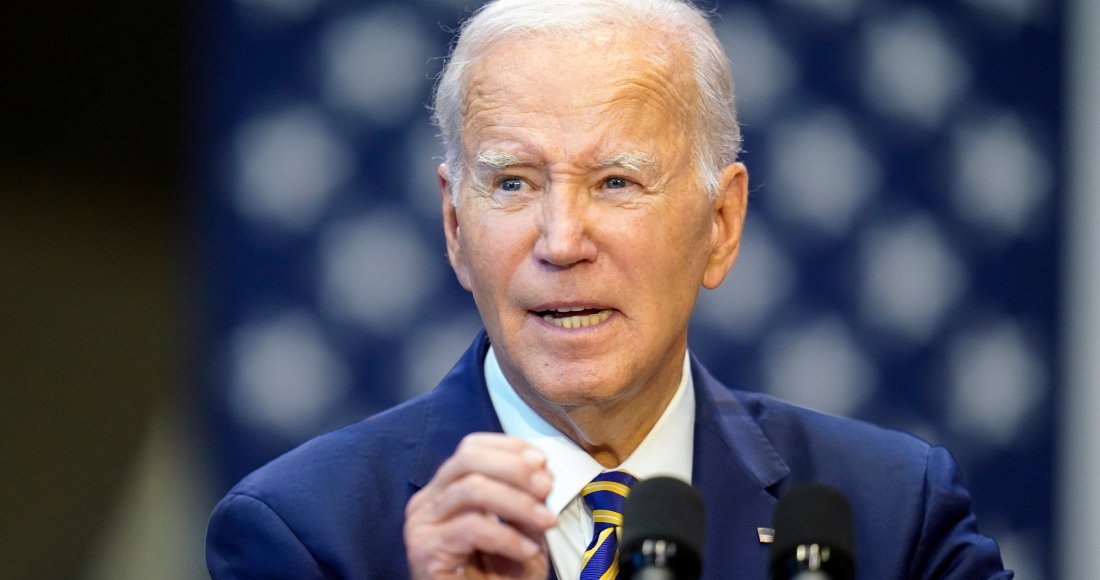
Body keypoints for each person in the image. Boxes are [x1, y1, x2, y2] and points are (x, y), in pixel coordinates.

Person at [205, 1, 1012, 578]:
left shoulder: (893, 517)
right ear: (455, 225)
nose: (560, 242)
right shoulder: (304, 536)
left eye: (617, 182)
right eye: (514, 183)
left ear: (721, 224)